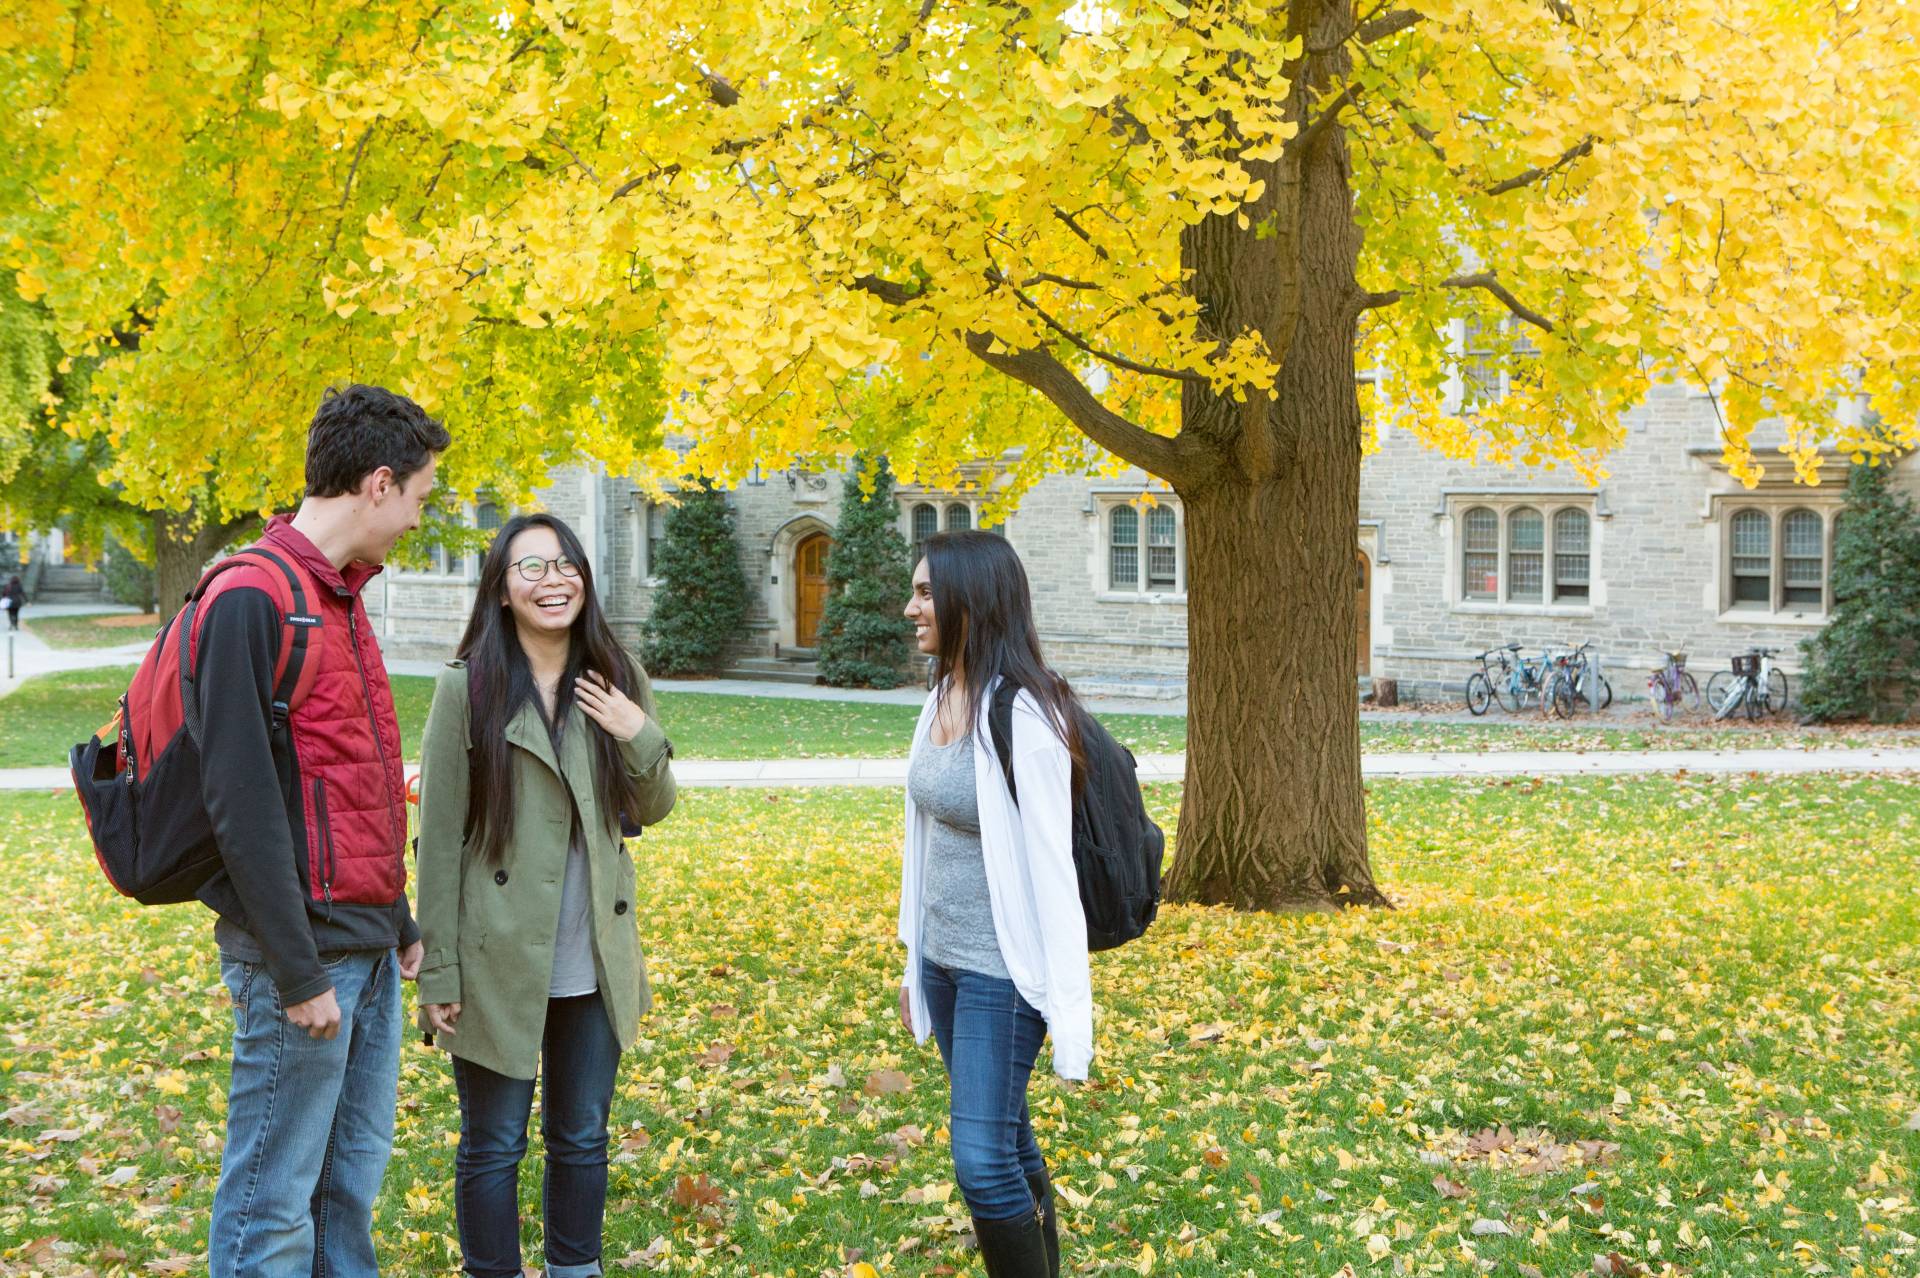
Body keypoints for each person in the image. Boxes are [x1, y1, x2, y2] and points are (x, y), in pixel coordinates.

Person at [199, 384, 450, 1277]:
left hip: (366, 946)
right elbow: (240, 805)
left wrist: (399, 919)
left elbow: (350, 776)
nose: (419, 519)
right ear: (379, 484)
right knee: (271, 1203)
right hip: (299, 962)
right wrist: (299, 972)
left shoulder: (339, 596)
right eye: (420, 497)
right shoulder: (251, 598)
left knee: (344, 1190)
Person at [415, 512, 677, 1278]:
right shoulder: (467, 691)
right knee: (493, 1142)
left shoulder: (616, 682)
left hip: (592, 953)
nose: (553, 579)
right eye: (531, 567)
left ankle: (574, 1270)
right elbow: (437, 842)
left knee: (583, 1136)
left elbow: (655, 806)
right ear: (501, 589)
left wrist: (637, 730)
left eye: (566, 565)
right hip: (496, 955)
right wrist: (439, 971)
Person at [896, 530, 1092, 1278]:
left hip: (1001, 976)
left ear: (969, 602)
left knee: (981, 1163)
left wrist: (1070, 1016)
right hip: (944, 963)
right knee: (1008, 1141)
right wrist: (915, 962)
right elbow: (927, 841)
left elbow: (1053, 875)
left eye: (924, 593)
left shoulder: (1026, 717)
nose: (911, 608)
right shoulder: (943, 692)